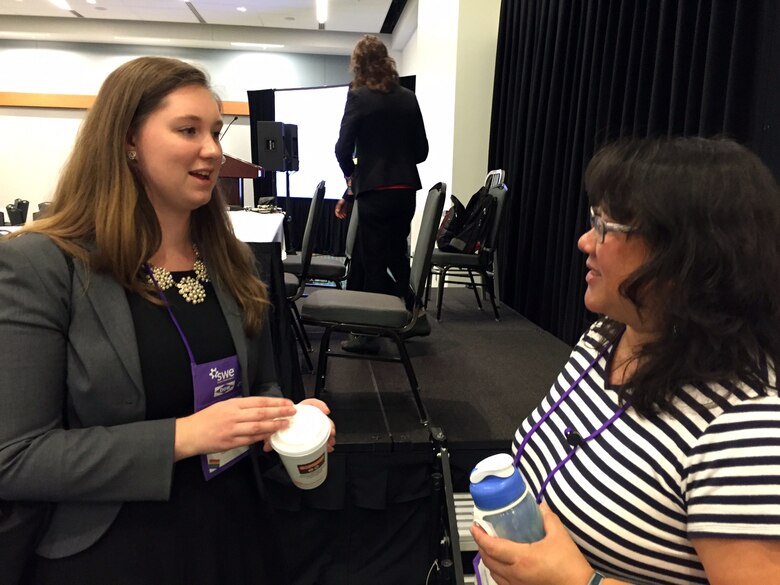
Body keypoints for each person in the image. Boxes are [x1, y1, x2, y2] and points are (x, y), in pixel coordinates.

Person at [0, 56, 335, 585]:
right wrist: (184, 436)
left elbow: (261, 384)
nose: (213, 150)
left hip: (237, 531)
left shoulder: (232, 261)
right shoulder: (44, 265)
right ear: (128, 140)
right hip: (117, 548)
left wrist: (282, 420)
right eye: (188, 130)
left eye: (214, 131)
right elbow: (16, 457)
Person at [472, 136, 780, 584]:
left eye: (605, 226)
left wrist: (582, 583)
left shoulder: (742, 425)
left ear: (684, 255)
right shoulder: (610, 335)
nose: (583, 241)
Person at [334, 34, 430, 354]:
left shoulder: (358, 96)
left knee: (373, 262)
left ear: (357, 64)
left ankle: (371, 332)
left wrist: (353, 175)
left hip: (374, 191)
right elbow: (422, 152)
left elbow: (342, 148)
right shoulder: (408, 97)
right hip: (405, 191)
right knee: (396, 255)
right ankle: (415, 312)